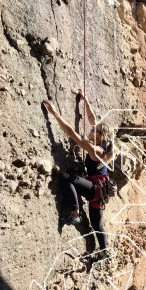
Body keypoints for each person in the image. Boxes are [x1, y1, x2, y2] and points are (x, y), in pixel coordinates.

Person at [42, 92, 114, 258]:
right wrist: (85, 100)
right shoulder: (104, 143)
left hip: (96, 189)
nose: (92, 129)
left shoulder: (97, 150)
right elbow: (92, 118)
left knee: (67, 179)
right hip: (100, 190)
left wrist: (54, 113)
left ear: (100, 136)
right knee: (97, 223)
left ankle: (75, 214)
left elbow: (71, 133)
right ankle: (104, 252)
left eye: (95, 130)